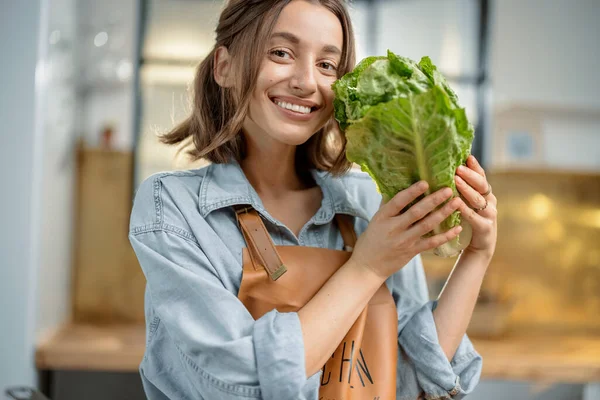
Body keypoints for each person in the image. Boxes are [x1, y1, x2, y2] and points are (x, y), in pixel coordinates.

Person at [129, 0, 497, 399]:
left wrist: (477, 255)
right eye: (281, 53)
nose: (307, 81)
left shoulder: (366, 204)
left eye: (327, 65)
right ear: (225, 67)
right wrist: (367, 267)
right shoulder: (173, 205)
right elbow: (239, 383)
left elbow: (409, 380)